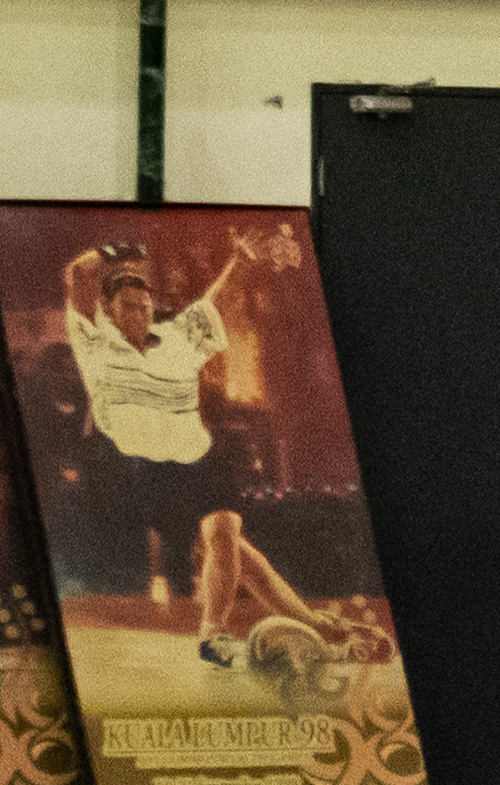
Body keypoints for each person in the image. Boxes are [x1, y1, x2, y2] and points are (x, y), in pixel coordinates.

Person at [57, 231, 331, 670]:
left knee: (222, 533)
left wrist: (240, 260)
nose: (140, 313)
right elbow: (78, 275)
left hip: (203, 461)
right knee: (240, 557)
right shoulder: (94, 341)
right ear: (108, 310)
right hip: (149, 472)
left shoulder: (176, 337)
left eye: (145, 306)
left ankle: (212, 635)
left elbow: (213, 302)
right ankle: (312, 623)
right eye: (129, 306)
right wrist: (115, 252)